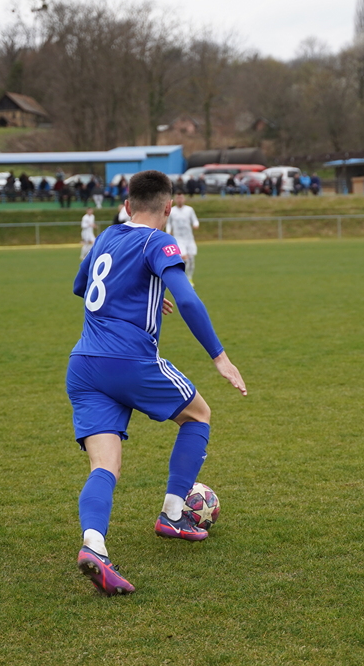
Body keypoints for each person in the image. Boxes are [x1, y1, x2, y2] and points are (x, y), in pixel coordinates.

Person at [67, 170, 247, 596]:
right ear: (169, 208)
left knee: (103, 466)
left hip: (83, 364)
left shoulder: (107, 236)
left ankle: (94, 546)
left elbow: (81, 285)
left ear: (127, 205)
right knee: (198, 413)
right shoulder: (158, 241)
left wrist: (136, 292)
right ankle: (172, 514)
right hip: (129, 360)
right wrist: (219, 358)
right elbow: (188, 298)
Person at [167, 191, 200, 284]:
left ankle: (189, 278)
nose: (179, 200)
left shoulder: (189, 210)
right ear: (175, 200)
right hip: (178, 239)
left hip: (189, 239)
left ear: (184, 199)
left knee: (191, 259)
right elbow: (169, 223)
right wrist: (168, 231)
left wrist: (195, 224)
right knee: (184, 258)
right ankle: (183, 278)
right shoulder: (172, 211)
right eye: (178, 198)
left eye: (181, 198)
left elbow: (195, 220)